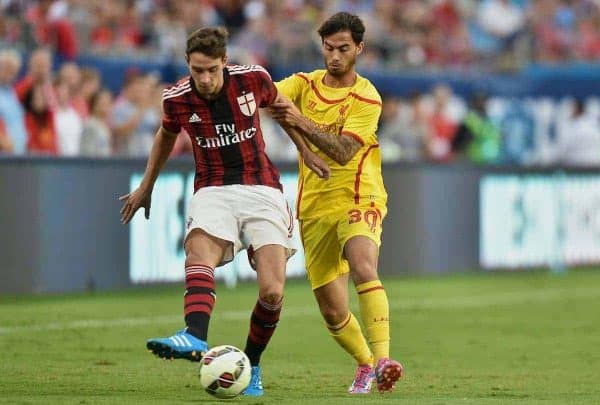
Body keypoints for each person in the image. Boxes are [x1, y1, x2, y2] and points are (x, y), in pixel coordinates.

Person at [118, 27, 328, 397]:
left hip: (262, 187)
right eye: (198, 70)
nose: (205, 78)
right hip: (213, 187)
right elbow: (166, 136)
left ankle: (253, 363)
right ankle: (195, 335)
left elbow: (283, 110)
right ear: (188, 65)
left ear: (224, 63)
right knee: (198, 251)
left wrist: (306, 152)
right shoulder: (177, 99)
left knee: (273, 292)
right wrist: (146, 186)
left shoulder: (253, 79)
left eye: (212, 69)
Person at [270, 12, 403, 394]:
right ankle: (364, 364)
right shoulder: (304, 84)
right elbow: (269, 98)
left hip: (359, 194)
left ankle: (383, 360)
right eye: (328, 48)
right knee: (332, 310)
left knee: (363, 263)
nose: (334, 56)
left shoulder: (366, 96)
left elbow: (344, 151)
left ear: (359, 48)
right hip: (314, 205)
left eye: (343, 49)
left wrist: (300, 122)